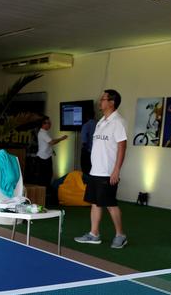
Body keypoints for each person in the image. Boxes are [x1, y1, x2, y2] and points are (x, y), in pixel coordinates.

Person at [74, 89, 128, 249]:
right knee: (95, 203)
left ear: (111, 102)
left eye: (103, 99)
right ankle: (94, 234)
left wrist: (116, 170)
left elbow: (122, 147)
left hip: (108, 172)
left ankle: (120, 235)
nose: (100, 101)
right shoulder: (101, 122)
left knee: (110, 204)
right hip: (95, 171)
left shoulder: (118, 122)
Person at [35, 115, 68, 188]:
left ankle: (46, 193)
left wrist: (52, 150)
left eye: (50, 122)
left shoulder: (45, 132)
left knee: (48, 176)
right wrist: (62, 138)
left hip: (46, 157)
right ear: (43, 124)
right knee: (45, 178)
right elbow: (52, 142)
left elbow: (47, 144)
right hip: (43, 159)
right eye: (48, 123)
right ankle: (44, 194)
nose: (50, 124)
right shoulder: (42, 133)